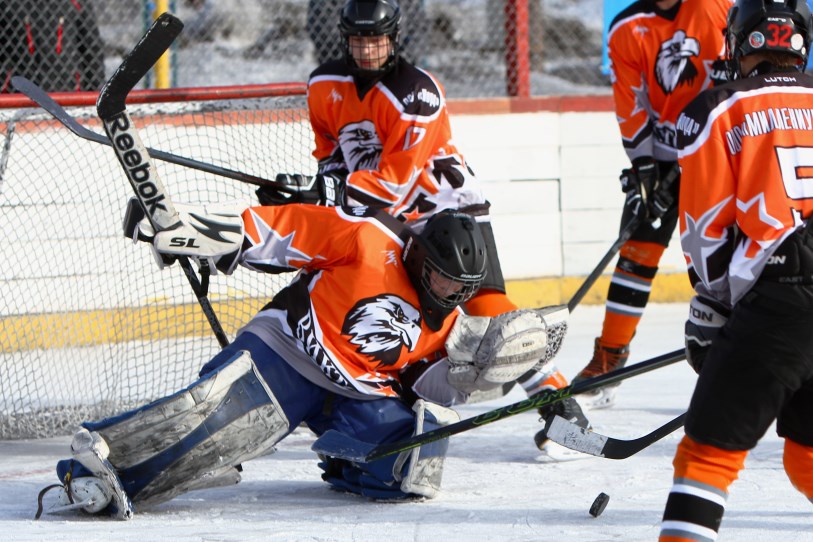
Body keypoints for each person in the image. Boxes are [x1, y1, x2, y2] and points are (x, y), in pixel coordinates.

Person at [37, 200, 566, 519]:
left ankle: (343, 463)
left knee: (414, 466)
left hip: (357, 391)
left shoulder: (450, 318)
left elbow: (422, 386)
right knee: (210, 424)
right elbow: (285, 229)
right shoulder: (369, 239)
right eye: (443, 279)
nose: (450, 294)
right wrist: (198, 232)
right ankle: (93, 464)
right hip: (286, 352)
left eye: (462, 287)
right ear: (419, 257)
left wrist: (472, 378)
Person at [260, 0, 587, 452]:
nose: (368, 49)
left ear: (394, 38)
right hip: (387, 218)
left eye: (376, 39)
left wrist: (329, 193)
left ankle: (558, 403)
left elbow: (396, 182)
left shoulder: (418, 92)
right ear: (343, 38)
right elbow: (333, 157)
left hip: (444, 208)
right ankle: (377, 402)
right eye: (359, 40)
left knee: (486, 306)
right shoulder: (324, 84)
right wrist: (310, 191)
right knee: (367, 304)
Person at [658, 1, 813, 539]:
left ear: (739, 43)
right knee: (807, 455)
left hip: (779, 299)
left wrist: (715, 305)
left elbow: (706, 232)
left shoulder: (716, 108)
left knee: (706, 458)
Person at [571, 0, 732, 410]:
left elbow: (734, 79)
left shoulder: (717, 8)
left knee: (730, 257)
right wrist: (644, 166)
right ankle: (608, 359)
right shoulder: (628, 27)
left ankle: (743, 359)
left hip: (718, 150)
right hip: (661, 156)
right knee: (636, 251)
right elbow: (630, 100)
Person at [0, 0, 105, 93]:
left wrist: (97, 91)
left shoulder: (75, 3)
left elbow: (92, 47)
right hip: (20, 90)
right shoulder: (7, 4)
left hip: (67, 90)